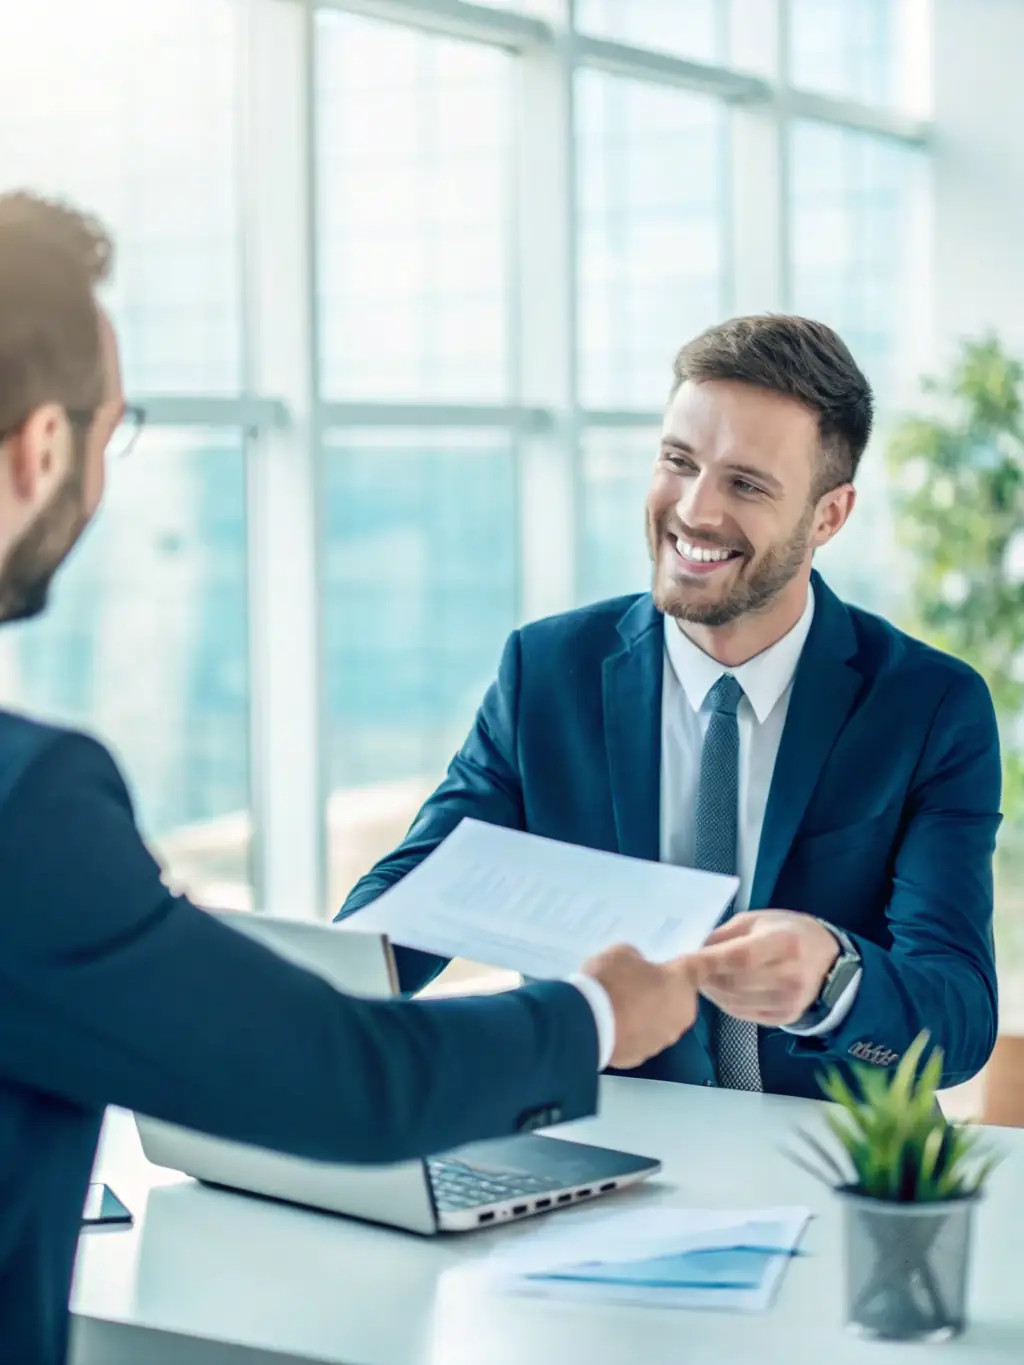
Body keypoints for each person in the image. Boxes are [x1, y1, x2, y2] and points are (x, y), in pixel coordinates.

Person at [0, 192, 702, 1365]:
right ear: (47, 446)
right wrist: (599, 1012)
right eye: (114, 433)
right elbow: (355, 1082)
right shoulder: (29, 808)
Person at [339, 313, 1002, 1099]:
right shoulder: (548, 673)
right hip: (600, 1154)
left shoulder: (930, 706)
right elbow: (409, 915)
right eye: (678, 461)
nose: (694, 510)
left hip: (829, 1170)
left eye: (746, 483)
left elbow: (958, 1021)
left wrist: (834, 976)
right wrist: (254, 991)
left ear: (829, 515)